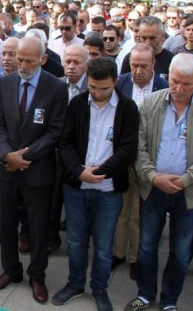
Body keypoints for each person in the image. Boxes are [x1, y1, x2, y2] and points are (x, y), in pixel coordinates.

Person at [125, 53, 193, 311]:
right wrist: (153, 176)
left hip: (189, 193)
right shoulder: (150, 103)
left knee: (181, 252)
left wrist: (185, 180)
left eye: (186, 84)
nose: (178, 89)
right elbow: (139, 148)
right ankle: (146, 294)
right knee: (147, 246)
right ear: (167, 76)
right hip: (153, 188)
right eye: (174, 82)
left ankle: (170, 300)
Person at [54, 57, 139, 311]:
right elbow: (65, 142)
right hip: (76, 187)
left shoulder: (128, 108)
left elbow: (127, 150)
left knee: (103, 247)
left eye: (104, 88)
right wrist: (80, 171)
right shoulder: (78, 104)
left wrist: (99, 172)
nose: (98, 93)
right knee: (76, 241)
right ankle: (75, 283)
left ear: (115, 82)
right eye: (92, 87)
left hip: (108, 190)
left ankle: (99, 288)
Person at [0, 37, 67, 304]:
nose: (21, 65)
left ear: (42, 60)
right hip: (8, 169)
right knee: (7, 222)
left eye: (29, 61)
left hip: (38, 171)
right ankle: (11, 270)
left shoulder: (56, 87)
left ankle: (37, 275)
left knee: (37, 228)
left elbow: (55, 130)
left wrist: (26, 156)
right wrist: (6, 155)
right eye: (19, 59)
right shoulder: (5, 82)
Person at [112, 44, 168, 281]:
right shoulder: (121, 83)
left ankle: (135, 258)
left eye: (144, 66)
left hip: (148, 160)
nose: (138, 71)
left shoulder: (164, 88)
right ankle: (118, 253)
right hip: (122, 157)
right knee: (120, 208)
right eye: (134, 65)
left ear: (153, 64)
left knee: (138, 211)